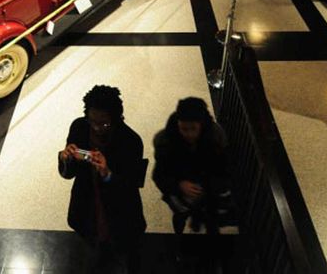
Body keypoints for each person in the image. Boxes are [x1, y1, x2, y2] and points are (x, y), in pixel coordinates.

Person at [59, 85, 146, 273]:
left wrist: (107, 174)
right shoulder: (79, 127)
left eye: (104, 124)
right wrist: (65, 158)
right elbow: (68, 174)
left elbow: (132, 185)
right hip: (87, 206)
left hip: (120, 212)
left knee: (123, 256)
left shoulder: (130, 141)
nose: (97, 128)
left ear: (116, 119)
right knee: (92, 254)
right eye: (93, 122)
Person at [153, 97, 230, 239]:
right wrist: (179, 185)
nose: (189, 134)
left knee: (211, 219)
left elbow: (224, 170)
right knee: (180, 215)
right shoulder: (165, 141)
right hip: (181, 193)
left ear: (201, 124)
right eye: (184, 129)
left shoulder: (216, 138)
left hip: (209, 190)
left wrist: (208, 187)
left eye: (193, 128)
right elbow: (159, 175)